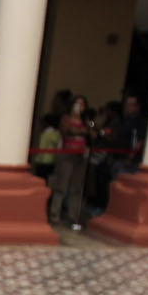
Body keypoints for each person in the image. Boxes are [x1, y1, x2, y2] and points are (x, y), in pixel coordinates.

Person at [48, 94, 92, 230]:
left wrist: (83, 130)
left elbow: (91, 133)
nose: (79, 107)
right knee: (61, 185)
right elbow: (67, 131)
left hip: (81, 156)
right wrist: (81, 131)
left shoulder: (86, 121)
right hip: (67, 155)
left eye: (82, 104)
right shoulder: (66, 118)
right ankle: (54, 214)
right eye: (77, 104)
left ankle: (74, 216)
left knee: (76, 188)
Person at [32, 113, 61, 181]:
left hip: (42, 161)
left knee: (40, 179)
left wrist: (37, 159)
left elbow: (42, 147)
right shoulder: (57, 133)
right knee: (46, 179)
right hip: (51, 160)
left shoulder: (45, 134)